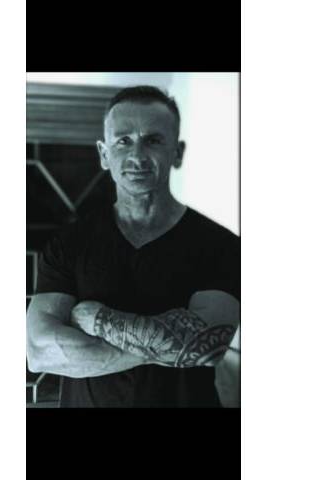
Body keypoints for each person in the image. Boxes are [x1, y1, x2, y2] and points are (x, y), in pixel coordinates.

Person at [26, 85, 240, 407]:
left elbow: (208, 345)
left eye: (153, 140)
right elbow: (39, 351)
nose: (137, 156)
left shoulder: (221, 246)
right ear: (104, 154)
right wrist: (171, 346)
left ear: (177, 152)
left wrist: (98, 320)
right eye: (123, 141)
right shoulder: (68, 244)